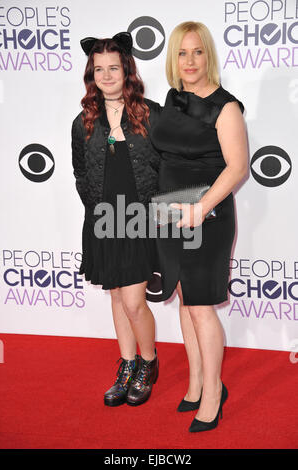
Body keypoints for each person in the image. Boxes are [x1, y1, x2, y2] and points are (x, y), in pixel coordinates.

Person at [150, 22, 248, 432]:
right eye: (181, 53)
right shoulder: (173, 100)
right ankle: (195, 383)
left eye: (197, 52)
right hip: (169, 214)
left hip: (207, 218)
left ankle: (213, 393)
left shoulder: (226, 107)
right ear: (173, 59)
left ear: (209, 55)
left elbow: (238, 167)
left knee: (202, 308)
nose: (189, 62)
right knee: (185, 301)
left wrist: (201, 206)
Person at [71, 32, 161, 407]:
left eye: (114, 68)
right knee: (116, 298)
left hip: (140, 220)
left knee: (134, 302)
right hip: (103, 220)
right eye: (99, 69)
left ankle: (148, 362)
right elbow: (79, 171)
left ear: (127, 70)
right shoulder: (84, 120)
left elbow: (166, 167)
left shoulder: (150, 114)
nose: (106, 75)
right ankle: (126, 364)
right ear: (92, 73)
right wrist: (95, 209)